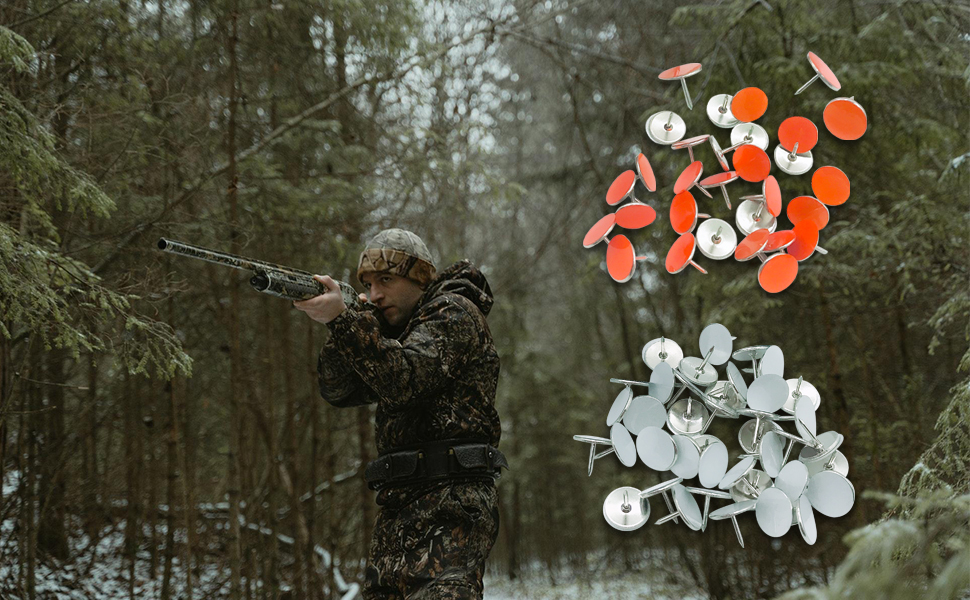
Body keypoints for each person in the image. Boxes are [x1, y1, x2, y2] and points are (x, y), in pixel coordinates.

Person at [293, 228, 507, 600]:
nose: (375, 294)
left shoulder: (454, 311)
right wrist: (346, 324)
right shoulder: (395, 335)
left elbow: (404, 380)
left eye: (386, 280)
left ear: (418, 278)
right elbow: (339, 390)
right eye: (368, 284)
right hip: (396, 509)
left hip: (451, 503)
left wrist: (345, 321)